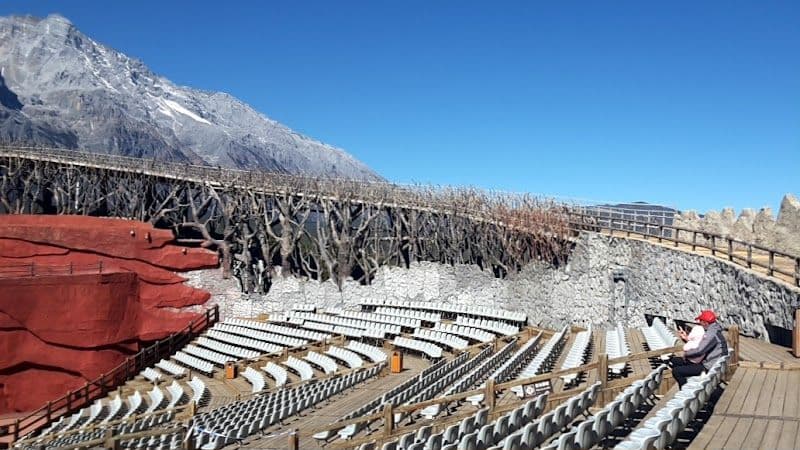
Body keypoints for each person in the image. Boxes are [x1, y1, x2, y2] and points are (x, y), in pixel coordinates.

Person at [670, 309, 728, 387]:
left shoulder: (711, 334)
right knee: (676, 361)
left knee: (676, 371)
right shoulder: (713, 330)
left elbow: (699, 351)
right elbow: (700, 345)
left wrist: (686, 354)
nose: (699, 322)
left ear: (705, 322)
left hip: (708, 366)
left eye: (700, 320)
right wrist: (686, 338)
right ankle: (688, 386)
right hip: (711, 363)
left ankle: (686, 392)